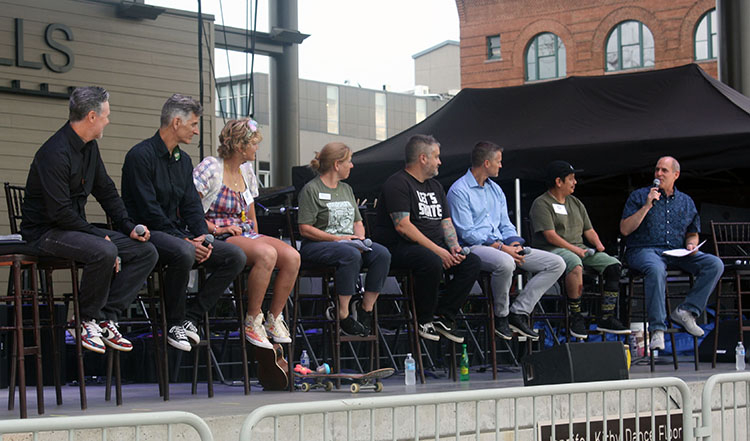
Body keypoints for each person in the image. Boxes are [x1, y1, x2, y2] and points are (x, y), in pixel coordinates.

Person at [20, 86, 158, 354]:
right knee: (104, 249)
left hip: (73, 230)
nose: (109, 120)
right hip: (45, 233)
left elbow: (106, 190)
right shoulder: (54, 153)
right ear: (92, 116)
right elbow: (58, 213)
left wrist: (128, 227)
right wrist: (98, 236)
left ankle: (104, 316)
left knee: (145, 252)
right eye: (106, 115)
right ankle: (83, 321)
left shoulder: (89, 148)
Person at [121, 94, 246, 352]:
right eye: (193, 125)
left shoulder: (184, 160)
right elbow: (148, 210)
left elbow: (191, 205)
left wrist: (203, 236)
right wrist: (186, 241)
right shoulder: (139, 156)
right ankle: (173, 322)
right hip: (145, 234)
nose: (196, 131)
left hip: (178, 235)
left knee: (235, 256)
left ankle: (192, 316)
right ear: (176, 122)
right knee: (183, 251)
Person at [192, 118, 299, 349]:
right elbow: (189, 209)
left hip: (244, 234)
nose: (257, 148)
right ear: (240, 146)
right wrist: (216, 229)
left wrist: (258, 239)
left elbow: (251, 213)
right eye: (254, 143)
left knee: (292, 256)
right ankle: (252, 319)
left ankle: (274, 317)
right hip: (219, 234)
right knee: (267, 254)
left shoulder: (246, 171)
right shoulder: (211, 167)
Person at [447, 142, 565, 341]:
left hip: (503, 246)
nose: (501, 166)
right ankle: (500, 315)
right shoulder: (459, 190)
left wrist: (515, 244)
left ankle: (518, 311)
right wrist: (502, 248)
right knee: (505, 262)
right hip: (475, 247)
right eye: (498, 162)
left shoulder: (496, 190)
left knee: (556, 263)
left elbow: (506, 224)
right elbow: (467, 232)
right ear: (486, 163)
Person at [374, 134, 480, 343]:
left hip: (433, 247)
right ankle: (424, 319)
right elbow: (403, 226)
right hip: (401, 247)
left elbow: (446, 222)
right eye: (436, 157)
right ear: (423, 158)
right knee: (430, 260)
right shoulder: (397, 183)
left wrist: (454, 249)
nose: (440, 161)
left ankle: (444, 317)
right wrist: (438, 251)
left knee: (472, 262)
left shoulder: (435, 186)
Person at [620, 156, 723, 350]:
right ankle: (657, 330)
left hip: (676, 252)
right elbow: (625, 229)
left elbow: (692, 232)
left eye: (664, 171)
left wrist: (692, 246)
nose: (658, 174)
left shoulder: (686, 201)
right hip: (644, 250)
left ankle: (686, 311)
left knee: (714, 264)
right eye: (657, 169)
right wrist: (647, 205)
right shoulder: (640, 196)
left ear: (676, 175)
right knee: (656, 269)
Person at [297, 142, 391, 336]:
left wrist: (360, 239)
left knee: (382, 254)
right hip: (318, 245)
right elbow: (305, 228)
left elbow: (358, 221)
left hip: (348, 244)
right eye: (349, 161)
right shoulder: (311, 189)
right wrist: (337, 239)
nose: (352, 165)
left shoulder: (346, 189)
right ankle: (343, 313)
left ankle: (366, 309)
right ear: (337, 164)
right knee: (349, 255)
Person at [530, 160, 630, 339]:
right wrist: (574, 250)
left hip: (580, 248)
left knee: (613, 265)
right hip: (552, 250)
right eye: (571, 179)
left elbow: (588, 230)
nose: (575, 182)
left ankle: (606, 316)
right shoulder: (541, 203)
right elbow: (550, 236)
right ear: (558, 181)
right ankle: (575, 316)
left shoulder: (575, 203)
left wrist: (599, 246)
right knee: (575, 264)